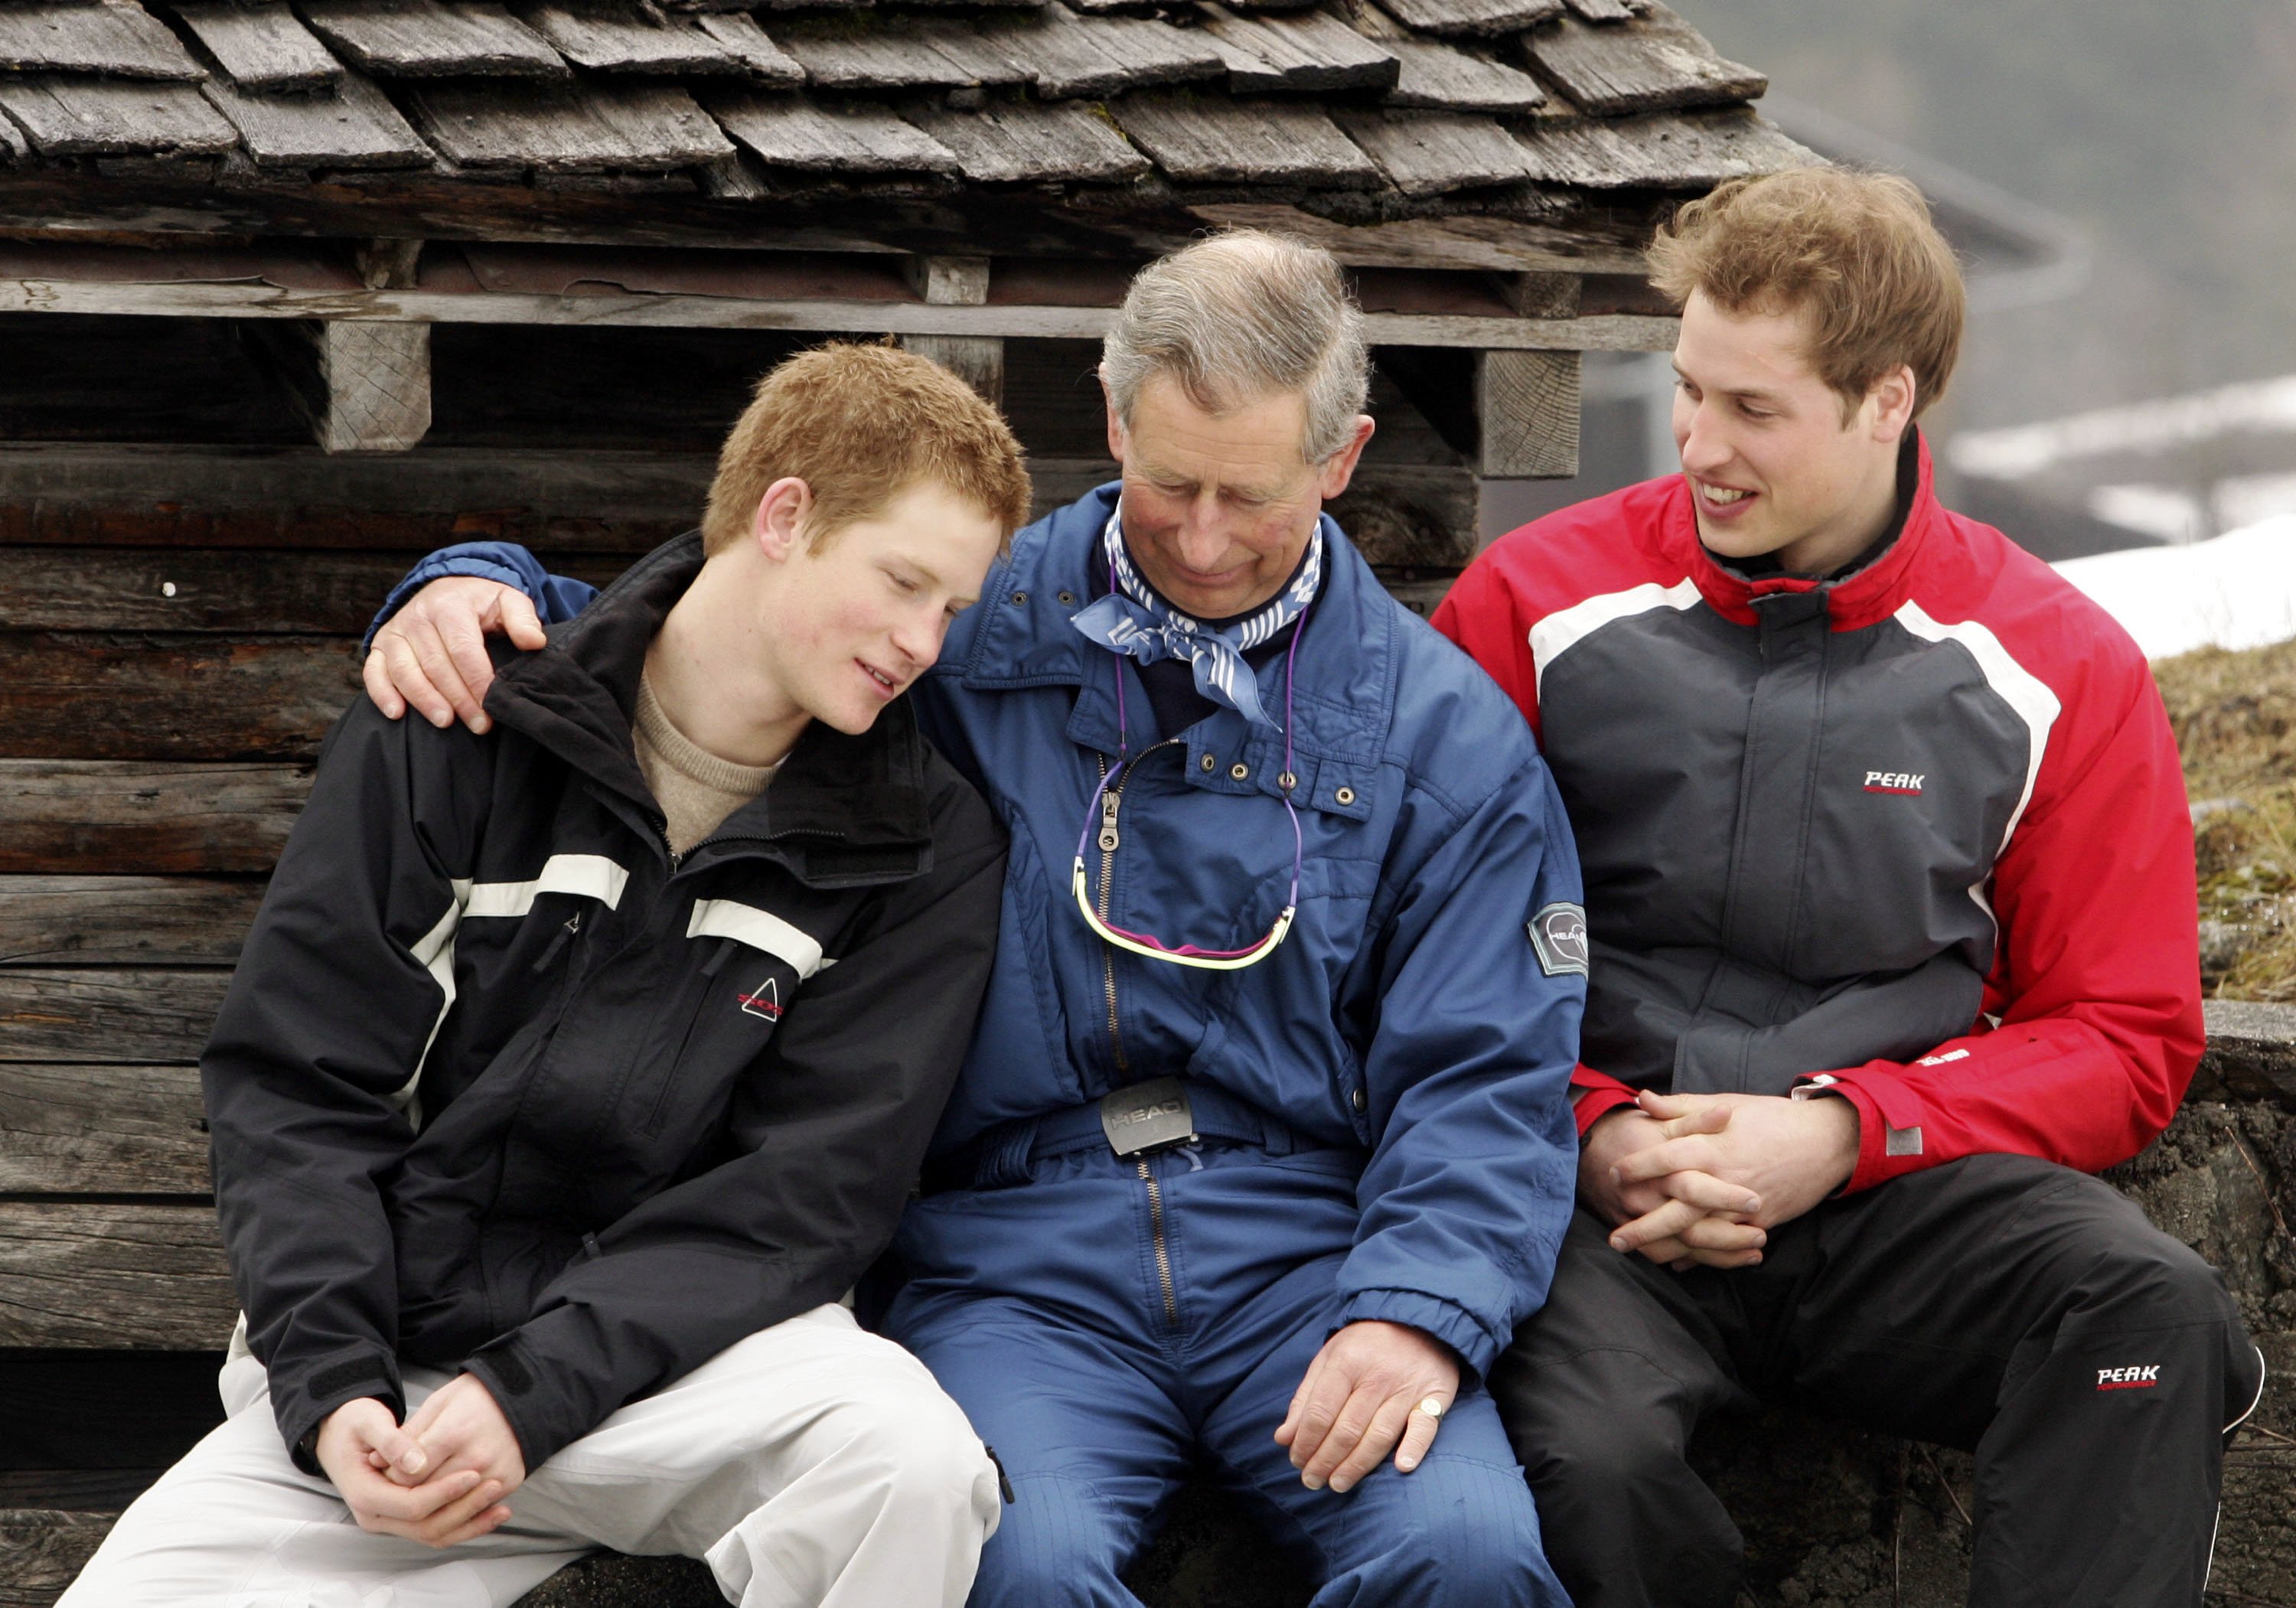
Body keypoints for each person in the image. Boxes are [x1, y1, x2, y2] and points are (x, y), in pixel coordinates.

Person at [360, 231, 1583, 1607]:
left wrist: (1417, 1309)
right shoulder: (962, 622)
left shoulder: (1448, 739)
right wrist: (478, 583)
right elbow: (724, 631)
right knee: (1016, 1562)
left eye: (1251, 495)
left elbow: (1490, 1070)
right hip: (1007, 1261)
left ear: (1343, 456)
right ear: (1112, 416)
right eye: (1168, 480)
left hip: (1315, 1251)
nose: (1200, 536)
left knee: (1467, 1553)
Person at [61, 343, 1033, 1608]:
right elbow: (298, 1085)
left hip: (680, 1376)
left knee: (906, 1464)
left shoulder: (924, 841)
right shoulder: (461, 717)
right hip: (386, 1365)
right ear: (785, 516)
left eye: (950, 610)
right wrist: (331, 1388)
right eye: (903, 582)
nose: (921, 643)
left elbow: (809, 1193)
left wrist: (540, 1385)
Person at [1433, 168, 2268, 1607]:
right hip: (1586, 1205)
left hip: (1896, 1194)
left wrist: (1846, 1129)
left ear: (1889, 403)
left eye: (1754, 410)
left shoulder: (2058, 663)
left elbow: (2127, 1033)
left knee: (2147, 1316)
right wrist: (1600, 1134)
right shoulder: (1530, 603)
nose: (1698, 442)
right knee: (1591, 1463)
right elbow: (1420, 948)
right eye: (1689, 388)